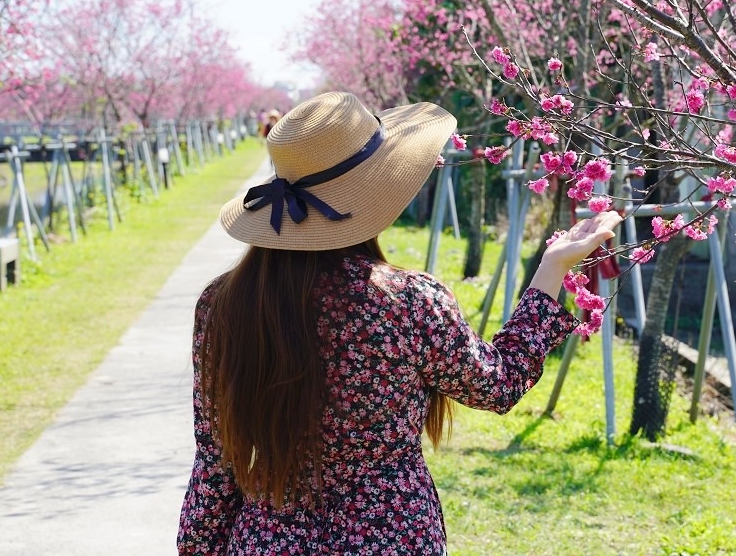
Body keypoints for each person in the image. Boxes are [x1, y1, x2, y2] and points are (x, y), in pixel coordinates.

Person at [177, 91, 621, 555]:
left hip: (266, 542)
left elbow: (217, 459)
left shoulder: (222, 306)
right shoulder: (407, 303)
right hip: (393, 538)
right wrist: (551, 270)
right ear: (373, 190)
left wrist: (195, 547)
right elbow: (499, 384)